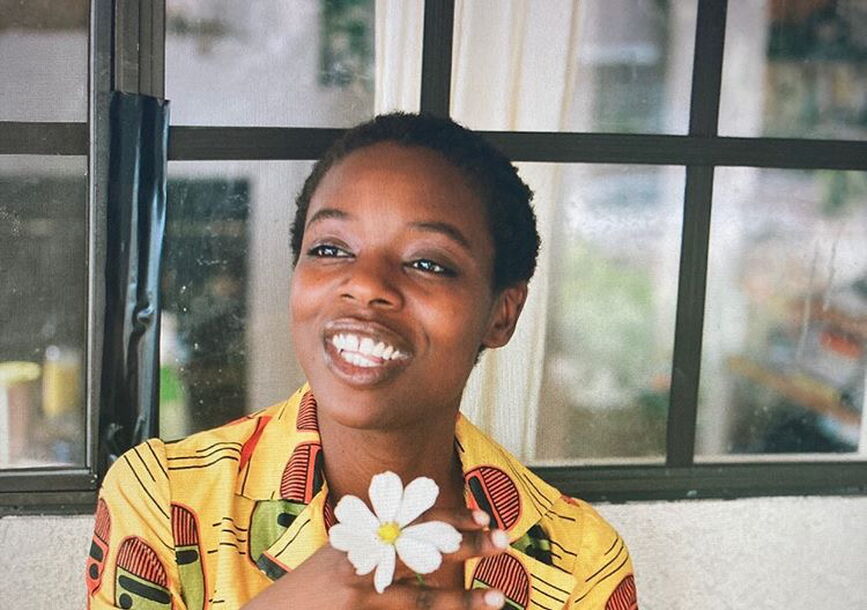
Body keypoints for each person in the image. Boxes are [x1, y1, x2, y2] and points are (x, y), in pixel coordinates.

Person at [86, 113, 637, 609]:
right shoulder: (164, 498)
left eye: (427, 263)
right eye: (329, 249)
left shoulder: (578, 563)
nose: (366, 285)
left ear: (501, 314)